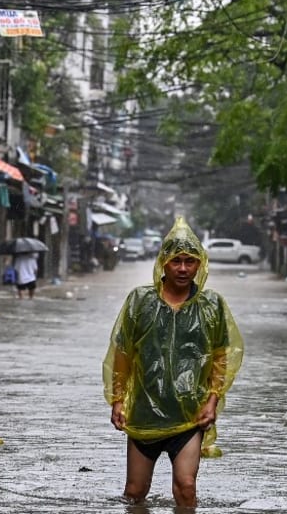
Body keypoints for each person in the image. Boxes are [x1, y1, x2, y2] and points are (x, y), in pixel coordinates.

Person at [103, 217, 244, 509]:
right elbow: (122, 353)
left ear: (199, 265)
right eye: (176, 261)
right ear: (163, 263)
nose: (182, 268)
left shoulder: (211, 305)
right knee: (135, 492)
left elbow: (222, 357)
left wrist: (212, 401)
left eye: (190, 261)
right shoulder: (140, 301)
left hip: (190, 415)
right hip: (144, 413)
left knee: (186, 487)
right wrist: (118, 400)